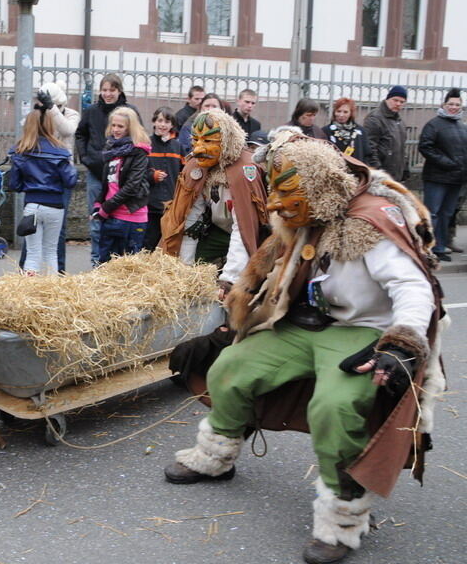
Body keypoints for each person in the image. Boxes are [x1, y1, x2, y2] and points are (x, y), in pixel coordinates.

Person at [164, 127, 444, 564]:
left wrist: (401, 342)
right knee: (230, 368)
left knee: (334, 407)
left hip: (361, 331)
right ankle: (215, 455)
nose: (274, 203)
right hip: (298, 325)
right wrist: (226, 330)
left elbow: (412, 286)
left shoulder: (371, 221)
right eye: (274, 191)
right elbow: (264, 274)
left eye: (285, 192)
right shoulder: (302, 217)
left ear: (320, 187)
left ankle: (344, 516)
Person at [161, 109, 268, 294]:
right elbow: (190, 218)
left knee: (257, 278)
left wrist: (228, 280)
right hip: (216, 230)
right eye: (195, 140)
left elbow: (243, 225)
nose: (198, 148)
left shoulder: (244, 170)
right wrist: (184, 271)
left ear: (226, 140)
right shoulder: (196, 166)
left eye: (208, 141)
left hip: (249, 233)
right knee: (197, 262)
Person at [74, 74, 139, 264]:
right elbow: (80, 134)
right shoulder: (92, 111)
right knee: (96, 220)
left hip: (123, 174)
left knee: (121, 220)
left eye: (112, 90)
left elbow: (139, 138)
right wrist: (86, 158)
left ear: (119, 91)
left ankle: (119, 263)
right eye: (104, 90)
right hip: (97, 172)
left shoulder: (130, 111)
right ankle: (97, 262)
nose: (107, 94)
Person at [8, 104, 78, 275]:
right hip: (55, 206)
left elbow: (14, 185)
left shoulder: (21, 152)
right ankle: (52, 292)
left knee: (32, 253)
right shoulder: (61, 151)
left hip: (32, 205)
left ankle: (29, 293)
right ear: (50, 124)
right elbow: (70, 181)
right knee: (51, 252)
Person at [92, 107, 150, 262]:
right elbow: (108, 182)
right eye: (113, 125)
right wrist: (99, 203)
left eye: (120, 126)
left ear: (130, 128)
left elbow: (132, 186)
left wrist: (106, 207)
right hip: (111, 215)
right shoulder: (112, 149)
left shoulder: (139, 151)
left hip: (131, 216)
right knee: (105, 266)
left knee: (129, 271)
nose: (115, 130)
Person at [418, 88, 467, 262]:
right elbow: (425, 147)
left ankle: (440, 246)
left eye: (457, 104)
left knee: (447, 213)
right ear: (443, 105)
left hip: (456, 179)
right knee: (432, 213)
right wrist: (447, 163)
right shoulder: (434, 124)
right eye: (450, 104)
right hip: (437, 178)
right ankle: (426, 247)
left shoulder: (462, 127)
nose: (453, 107)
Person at [144, 106, 182, 252]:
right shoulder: (147, 143)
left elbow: (183, 172)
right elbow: (138, 171)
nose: (163, 125)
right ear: (154, 122)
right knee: (149, 243)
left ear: (172, 125)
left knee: (167, 245)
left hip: (170, 205)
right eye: (160, 120)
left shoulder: (177, 146)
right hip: (150, 204)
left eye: (167, 121)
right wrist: (152, 176)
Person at [363, 85, 409, 181]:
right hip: (381, 174)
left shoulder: (399, 121)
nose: (398, 104)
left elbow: (402, 148)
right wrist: (378, 171)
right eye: (395, 100)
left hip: (396, 173)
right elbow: (369, 147)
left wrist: (405, 168)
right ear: (387, 99)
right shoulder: (375, 119)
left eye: (402, 102)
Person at [323, 97, 368, 162]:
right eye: (338, 111)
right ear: (334, 112)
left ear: (351, 113)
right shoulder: (326, 131)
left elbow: (367, 154)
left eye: (345, 112)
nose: (341, 115)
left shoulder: (360, 132)